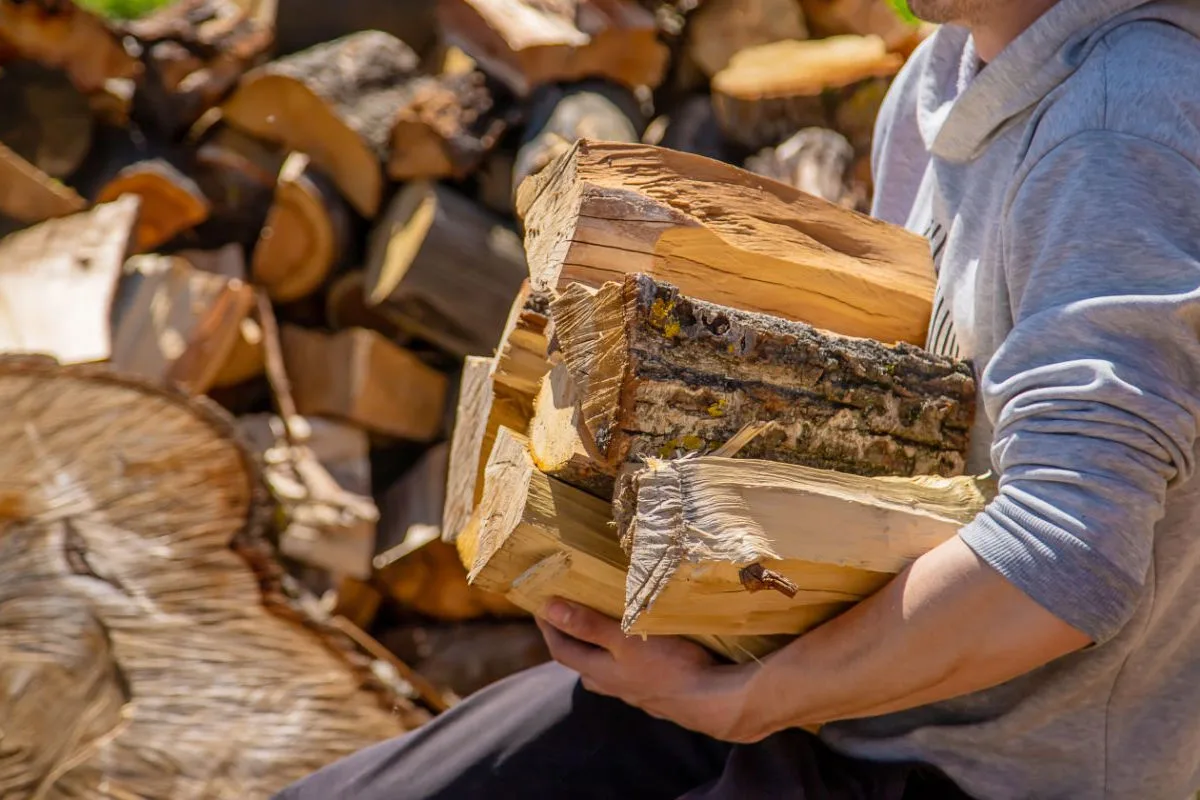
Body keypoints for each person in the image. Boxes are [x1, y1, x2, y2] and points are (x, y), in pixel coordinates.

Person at [276, 0, 1200, 797]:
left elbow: (1066, 551)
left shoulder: (1121, 124)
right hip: (827, 704)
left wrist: (751, 700)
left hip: (969, 777)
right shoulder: (946, 74)